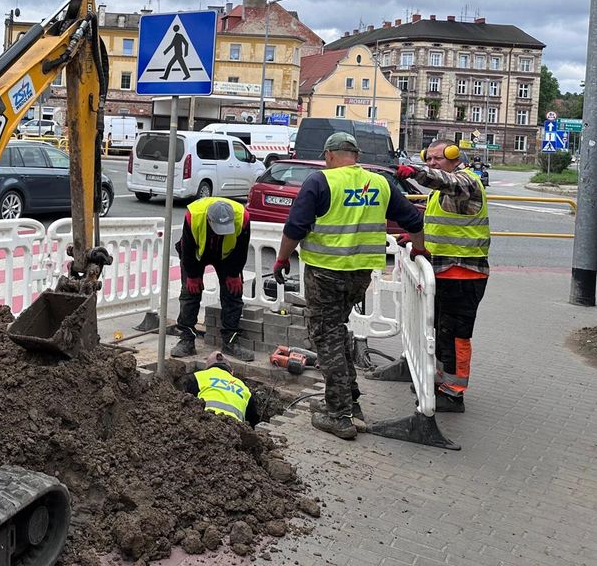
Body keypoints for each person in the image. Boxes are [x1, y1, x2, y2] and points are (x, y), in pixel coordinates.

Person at [272, 132, 426, 440]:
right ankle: (349, 402)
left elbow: (295, 227)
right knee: (337, 331)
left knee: (325, 337)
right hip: (360, 275)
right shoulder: (380, 182)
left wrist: (281, 259)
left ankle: (339, 415)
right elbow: (414, 220)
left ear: (329, 155)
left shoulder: (320, 182)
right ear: (355, 156)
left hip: (325, 274)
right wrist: (419, 249)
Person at [397, 140, 490, 413]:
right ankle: (441, 381)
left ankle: (454, 392)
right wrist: (416, 239)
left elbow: (447, 181)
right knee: (442, 332)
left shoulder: (466, 182)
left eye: (438, 158)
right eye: (428, 159)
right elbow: (440, 225)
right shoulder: (441, 192)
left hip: (464, 273)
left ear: (453, 156)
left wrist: (416, 172)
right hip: (445, 271)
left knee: (458, 335)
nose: (432, 163)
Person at [172, 196, 255, 362]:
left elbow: (241, 249)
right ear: (209, 219)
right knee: (189, 293)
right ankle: (186, 339)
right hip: (196, 253)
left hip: (227, 255)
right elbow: (187, 248)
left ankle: (230, 342)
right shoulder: (194, 215)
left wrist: (234, 273)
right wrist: (192, 276)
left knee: (233, 293)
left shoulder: (242, 217)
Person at [174, 351, 261, 426]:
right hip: (234, 430)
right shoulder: (244, 388)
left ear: (206, 368)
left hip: (204, 425)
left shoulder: (199, 376)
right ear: (231, 372)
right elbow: (253, 423)